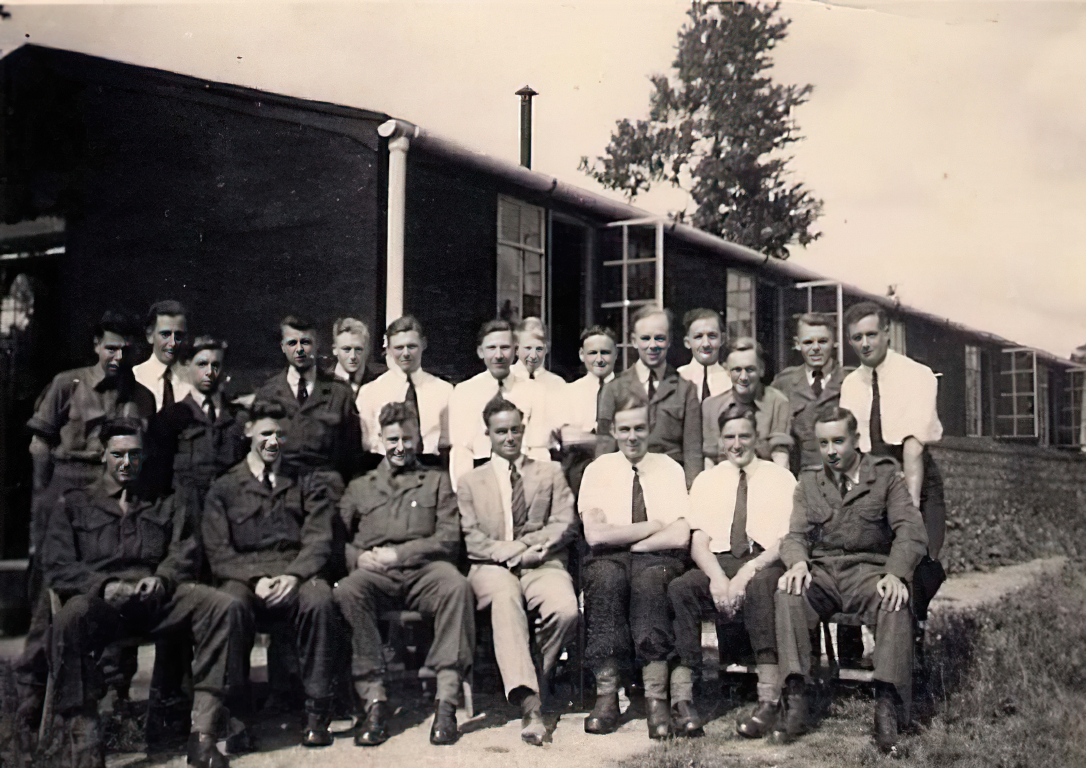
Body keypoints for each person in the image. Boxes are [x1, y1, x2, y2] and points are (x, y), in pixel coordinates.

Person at [42, 418, 247, 768]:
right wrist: (103, 586)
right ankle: (85, 738)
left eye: (134, 455)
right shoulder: (74, 504)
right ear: (102, 455)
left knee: (223, 606)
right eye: (118, 455)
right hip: (103, 608)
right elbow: (57, 566)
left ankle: (203, 734)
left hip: (155, 603)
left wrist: (163, 578)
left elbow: (185, 550)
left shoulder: (164, 500)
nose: (127, 463)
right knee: (70, 616)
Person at [16, 311, 155, 741]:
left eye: (126, 350)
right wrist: (43, 499)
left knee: (115, 580)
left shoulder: (142, 396)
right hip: (67, 488)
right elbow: (40, 445)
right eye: (110, 348)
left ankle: (114, 693)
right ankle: (31, 691)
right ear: (96, 345)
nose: (118, 357)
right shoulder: (68, 384)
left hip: (114, 496)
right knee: (52, 595)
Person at [773, 407, 927, 754]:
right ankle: (795, 698)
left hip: (869, 573)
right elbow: (795, 535)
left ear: (856, 440)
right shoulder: (809, 482)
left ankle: (887, 704)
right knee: (788, 594)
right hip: (824, 574)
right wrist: (798, 563)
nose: (830, 451)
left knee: (894, 598)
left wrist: (895, 573)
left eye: (838, 441)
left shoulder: (885, 477)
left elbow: (910, 531)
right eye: (823, 443)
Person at [201, 401, 341, 748]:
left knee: (320, 598)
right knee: (229, 606)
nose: (274, 442)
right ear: (248, 431)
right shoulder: (224, 487)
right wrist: (255, 580)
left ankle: (317, 712)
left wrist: (294, 576)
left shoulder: (306, 481)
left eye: (280, 434)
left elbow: (319, 539)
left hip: (294, 573)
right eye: (266, 433)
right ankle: (236, 719)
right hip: (245, 578)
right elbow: (219, 552)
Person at [335, 402, 474, 747]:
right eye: (393, 439)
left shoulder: (437, 481)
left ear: (418, 439)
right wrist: (358, 558)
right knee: (348, 590)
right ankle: (374, 701)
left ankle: (446, 702)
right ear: (380, 440)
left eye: (407, 439)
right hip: (376, 576)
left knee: (456, 585)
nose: (400, 447)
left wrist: (399, 554)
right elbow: (336, 539)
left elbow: (448, 538)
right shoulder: (360, 487)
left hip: (424, 571)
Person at [457, 397, 579, 746]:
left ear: (523, 430)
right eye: (501, 431)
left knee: (565, 609)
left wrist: (524, 547)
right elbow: (471, 538)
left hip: (541, 561)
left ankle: (533, 679)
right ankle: (531, 706)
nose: (509, 437)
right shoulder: (470, 481)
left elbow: (564, 523)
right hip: (491, 567)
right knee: (505, 598)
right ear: (488, 434)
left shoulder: (549, 472)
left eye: (515, 430)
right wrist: (508, 555)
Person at [668, 402, 794, 739]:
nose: (736, 444)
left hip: (762, 561)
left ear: (757, 437)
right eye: (729, 437)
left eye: (744, 436)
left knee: (761, 588)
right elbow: (699, 541)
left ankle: (769, 699)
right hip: (720, 562)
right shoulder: (707, 480)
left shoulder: (780, 478)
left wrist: (746, 572)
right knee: (681, 588)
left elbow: (785, 540)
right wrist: (718, 578)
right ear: (720, 439)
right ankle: (683, 699)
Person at [579, 390, 691, 740]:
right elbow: (595, 535)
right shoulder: (598, 470)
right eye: (624, 429)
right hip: (610, 557)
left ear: (650, 427)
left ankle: (656, 698)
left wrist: (629, 540)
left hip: (656, 556)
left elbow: (679, 536)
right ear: (613, 430)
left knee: (650, 584)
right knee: (605, 580)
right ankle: (607, 696)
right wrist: (652, 525)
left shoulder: (669, 469)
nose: (632, 437)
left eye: (639, 428)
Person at [838, 302, 946, 565]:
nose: (865, 344)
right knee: (876, 566)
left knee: (919, 565)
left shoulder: (917, 375)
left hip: (916, 480)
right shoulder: (850, 384)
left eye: (871, 335)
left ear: (886, 333)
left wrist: (910, 509)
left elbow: (913, 447)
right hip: (873, 483)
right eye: (857, 337)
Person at [596, 305, 702, 489]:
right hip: (626, 481)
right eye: (645, 338)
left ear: (669, 341)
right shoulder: (614, 389)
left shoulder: (685, 389)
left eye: (659, 338)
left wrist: (691, 491)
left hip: (670, 481)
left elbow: (693, 450)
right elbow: (604, 446)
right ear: (634, 341)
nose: (652, 345)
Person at [254, 315, 362, 487]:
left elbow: (352, 455)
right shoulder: (268, 394)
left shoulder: (340, 393)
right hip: (282, 489)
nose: (299, 349)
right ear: (283, 347)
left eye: (306, 342)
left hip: (325, 490)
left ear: (317, 345)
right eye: (292, 343)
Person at [147, 336, 246, 510]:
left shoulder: (238, 417)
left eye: (215, 365)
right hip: (186, 512)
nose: (209, 372)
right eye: (202, 364)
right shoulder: (171, 417)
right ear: (188, 365)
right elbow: (158, 476)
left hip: (229, 510)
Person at [449, 319, 538, 490]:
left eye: (505, 348)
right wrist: (465, 492)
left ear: (516, 350)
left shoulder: (533, 391)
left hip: (522, 474)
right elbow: (461, 450)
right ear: (480, 352)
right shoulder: (464, 392)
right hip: (480, 473)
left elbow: (537, 447)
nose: (498, 355)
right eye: (491, 348)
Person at [357, 315, 452, 463]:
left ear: (423, 344)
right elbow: (367, 443)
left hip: (432, 467)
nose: (406, 353)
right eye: (399, 348)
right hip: (385, 466)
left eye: (412, 346)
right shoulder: (370, 392)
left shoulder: (445, 391)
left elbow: (449, 441)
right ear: (388, 349)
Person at [771, 314, 851, 473]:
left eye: (823, 341)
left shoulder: (850, 381)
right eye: (808, 342)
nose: (815, 348)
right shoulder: (784, 383)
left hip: (843, 475)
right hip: (801, 476)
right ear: (797, 344)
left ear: (835, 342)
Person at [702, 338, 792, 470]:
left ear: (761, 370)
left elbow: (781, 456)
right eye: (737, 370)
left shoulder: (778, 403)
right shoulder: (711, 407)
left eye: (750, 370)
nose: (743, 377)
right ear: (727, 371)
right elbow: (710, 459)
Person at [553, 325, 617, 495]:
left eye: (605, 352)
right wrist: (610, 441)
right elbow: (569, 439)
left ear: (615, 353)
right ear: (582, 354)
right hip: (579, 471)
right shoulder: (568, 392)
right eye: (592, 353)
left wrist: (586, 437)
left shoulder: (628, 390)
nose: (599, 359)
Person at [513, 317, 568, 462]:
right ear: (517, 349)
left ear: (546, 348)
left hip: (546, 458)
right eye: (527, 348)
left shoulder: (557, 384)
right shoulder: (506, 380)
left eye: (539, 349)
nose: (533, 355)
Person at [134, 300, 191, 411]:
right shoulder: (136, 377)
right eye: (165, 334)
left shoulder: (193, 380)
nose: (172, 343)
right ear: (150, 335)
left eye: (178, 335)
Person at [677, 308, 731, 402]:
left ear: (722, 339)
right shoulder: (676, 379)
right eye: (698, 337)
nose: (705, 344)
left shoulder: (730, 378)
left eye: (712, 336)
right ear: (687, 342)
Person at [330, 317, 385, 396]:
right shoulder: (323, 382)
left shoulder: (380, 379)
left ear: (367, 350)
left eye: (358, 349)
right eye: (346, 349)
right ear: (335, 350)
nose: (353, 356)